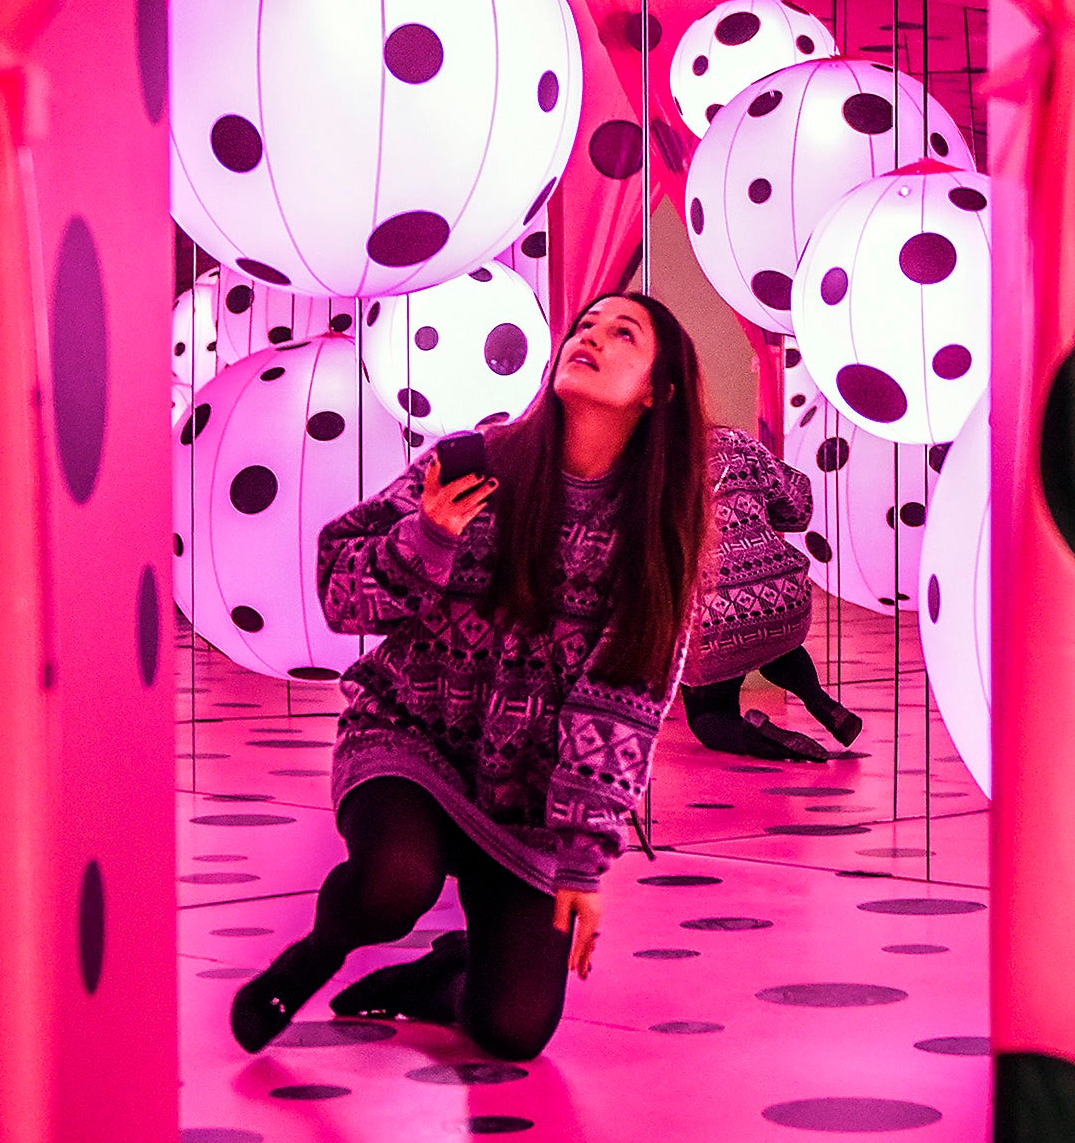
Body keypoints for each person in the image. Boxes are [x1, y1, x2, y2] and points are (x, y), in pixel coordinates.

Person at [229, 293, 712, 1061]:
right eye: (587, 323)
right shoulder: (481, 462)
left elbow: (620, 707)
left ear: (659, 391)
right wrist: (426, 539)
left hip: (518, 805)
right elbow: (338, 586)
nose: (591, 336)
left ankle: (444, 977)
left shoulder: (652, 544)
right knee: (395, 883)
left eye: (624, 334)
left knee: (512, 1032)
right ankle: (313, 957)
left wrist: (584, 859)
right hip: (408, 738)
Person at [678, 426, 865, 762]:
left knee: (707, 715)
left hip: (709, 619)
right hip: (782, 598)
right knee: (774, 644)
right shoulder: (736, 442)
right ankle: (820, 701)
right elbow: (797, 506)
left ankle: (762, 735)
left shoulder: (637, 460)